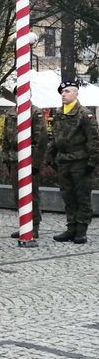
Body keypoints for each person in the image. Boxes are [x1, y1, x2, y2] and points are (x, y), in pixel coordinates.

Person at [48, 80, 99, 244]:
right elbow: (55, 138)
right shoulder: (59, 114)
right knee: (68, 196)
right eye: (62, 92)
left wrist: (92, 162)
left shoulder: (85, 114)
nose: (64, 94)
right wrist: (50, 157)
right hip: (64, 161)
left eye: (68, 91)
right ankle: (71, 228)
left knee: (82, 196)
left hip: (80, 161)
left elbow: (94, 140)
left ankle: (81, 230)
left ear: (76, 94)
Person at [2, 88, 47, 239]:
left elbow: (41, 140)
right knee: (18, 195)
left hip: (29, 159)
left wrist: (36, 163)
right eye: (18, 94)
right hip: (14, 159)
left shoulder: (35, 112)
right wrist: (6, 158)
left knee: (31, 194)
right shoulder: (11, 113)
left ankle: (33, 226)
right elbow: (5, 138)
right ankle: (23, 224)